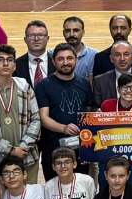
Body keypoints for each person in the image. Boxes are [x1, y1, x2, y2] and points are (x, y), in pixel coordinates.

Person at [0, 45, 41, 178]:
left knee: (27, 192)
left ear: (14, 66)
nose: (5, 63)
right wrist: (11, 150)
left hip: (26, 158)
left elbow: (36, 120)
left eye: (9, 60)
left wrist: (23, 146)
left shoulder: (25, 88)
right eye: (0, 60)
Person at [35, 44, 97, 183]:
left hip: (80, 149)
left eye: (69, 58)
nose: (65, 62)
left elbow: (88, 114)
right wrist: (64, 128)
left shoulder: (84, 83)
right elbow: (43, 117)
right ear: (53, 62)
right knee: (55, 189)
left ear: (76, 60)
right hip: (53, 148)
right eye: (60, 59)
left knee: (80, 187)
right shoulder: (44, 85)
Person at [93, 41, 132, 106]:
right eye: (117, 55)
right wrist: (98, 110)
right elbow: (95, 108)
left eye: (126, 54)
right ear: (111, 58)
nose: (122, 59)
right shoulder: (99, 81)